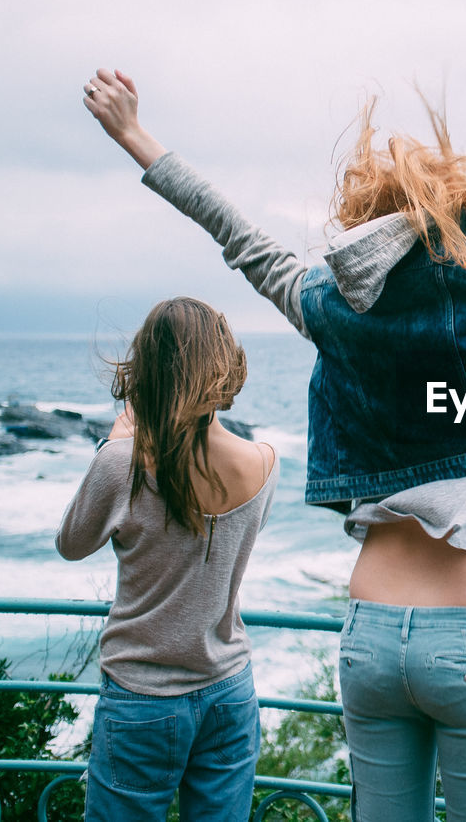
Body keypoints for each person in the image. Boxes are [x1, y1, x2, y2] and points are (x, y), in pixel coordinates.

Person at [82, 0, 466, 820]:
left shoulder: (330, 305)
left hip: (371, 634)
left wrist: (138, 137)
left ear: (363, 216)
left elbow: (234, 234)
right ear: (456, 205)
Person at [57, 297, 278, 822]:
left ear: (148, 370)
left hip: (142, 695)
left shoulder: (122, 463)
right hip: (229, 689)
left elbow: (71, 542)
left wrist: (111, 445)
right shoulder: (265, 464)